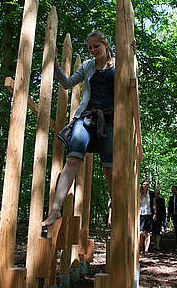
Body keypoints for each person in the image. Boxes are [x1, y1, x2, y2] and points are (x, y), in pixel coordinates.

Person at [42, 30, 135, 226]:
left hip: (110, 120)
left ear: (105, 44)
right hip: (86, 117)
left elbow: (132, 80)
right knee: (73, 159)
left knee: (109, 168)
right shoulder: (87, 66)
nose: (93, 50)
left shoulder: (119, 63)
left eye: (96, 46)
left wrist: (132, 56)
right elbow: (67, 84)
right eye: (90, 47)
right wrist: (56, 66)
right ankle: (55, 211)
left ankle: (115, 209)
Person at [139, 180, 156, 254]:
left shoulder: (151, 193)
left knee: (148, 233)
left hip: (149, 214)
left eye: (147, 184)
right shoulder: (138, 193)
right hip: (141, 214)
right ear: (142, 185)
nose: (145, 186)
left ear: (148, 185)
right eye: (144, 184)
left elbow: (154, 204)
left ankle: (146, 249)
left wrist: (155, 213)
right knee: (141, 233)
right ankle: (141, 247)